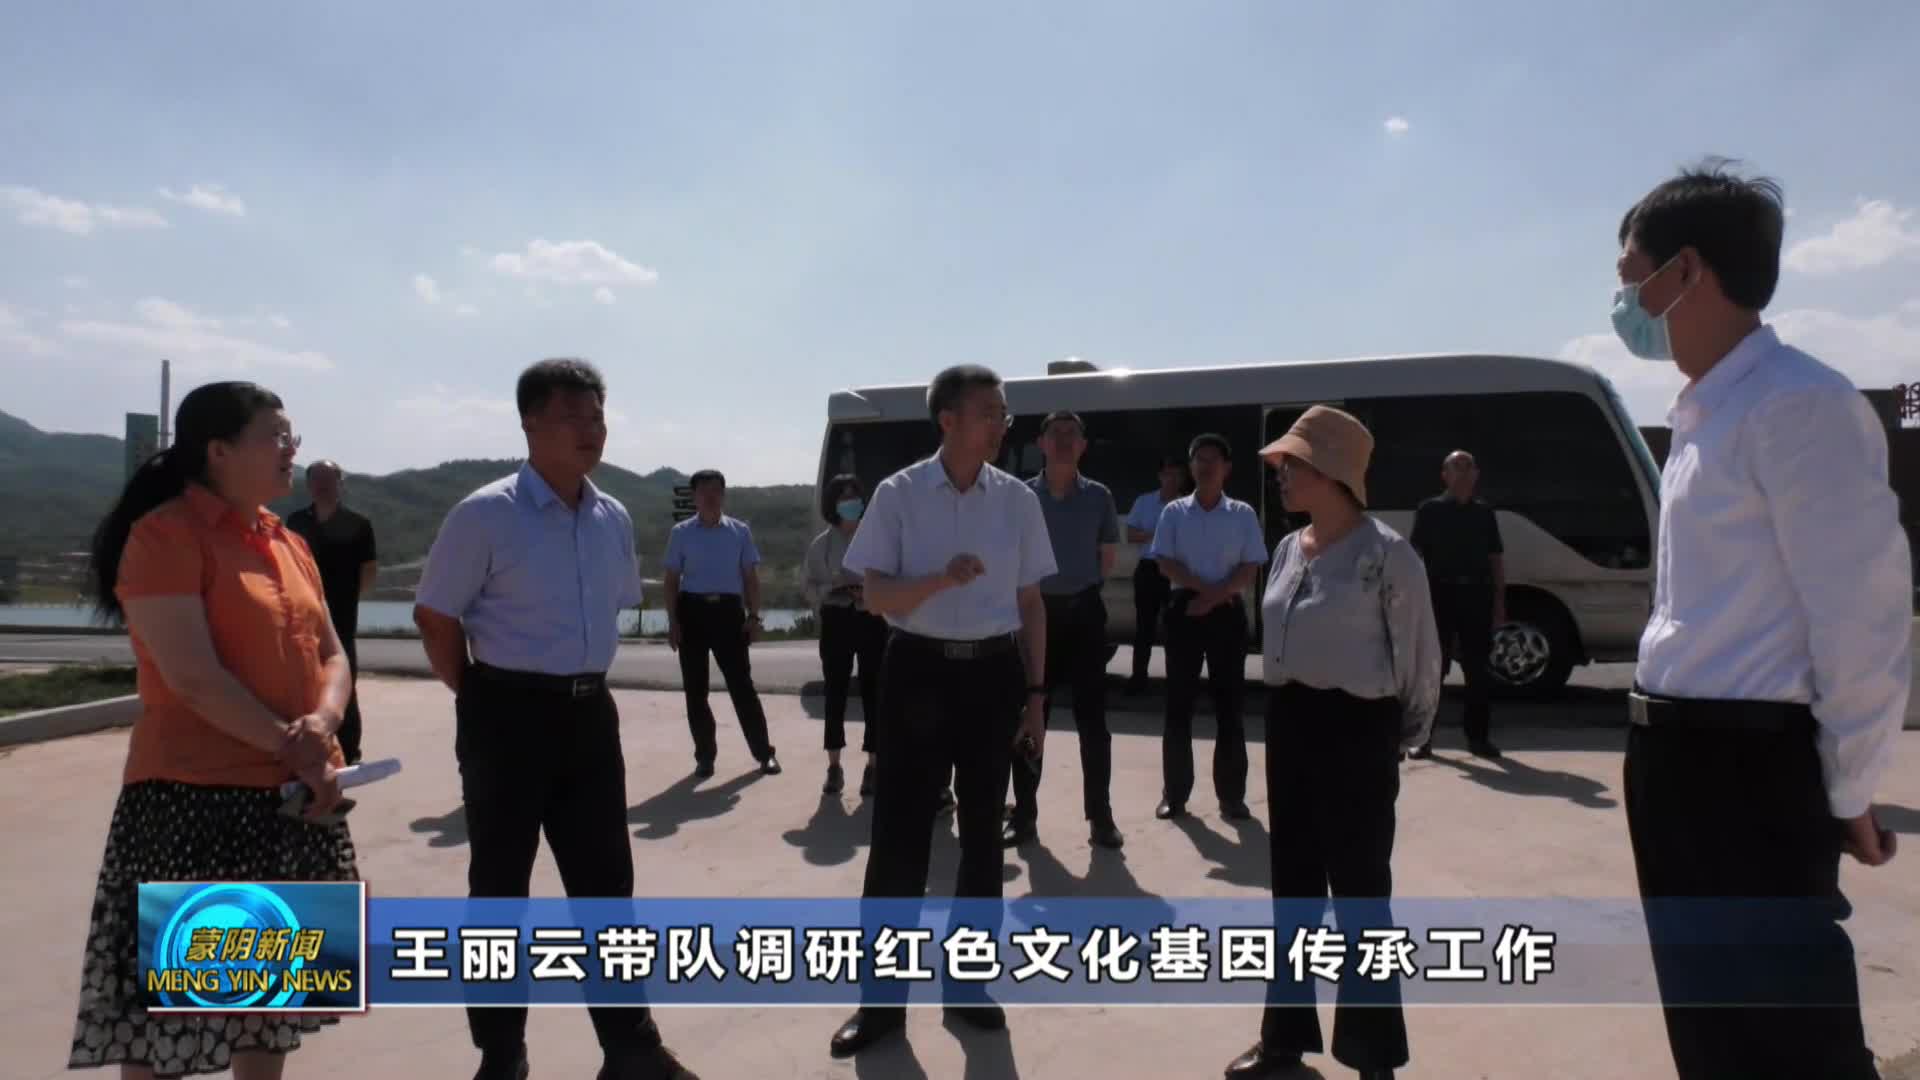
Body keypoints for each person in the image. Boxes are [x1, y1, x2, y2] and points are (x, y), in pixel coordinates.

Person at [1615, 161, 1906, 1079]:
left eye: (1632, 278)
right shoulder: (1707, 411)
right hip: (1681, 763)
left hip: (1745, 773)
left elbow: (1860, 614)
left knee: (1788, 1041)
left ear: (1687, 271)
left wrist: (1848, 787)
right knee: (1714, 1036)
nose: (1624, 304)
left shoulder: (1798, 404)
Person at [413, 359, 698, 1080]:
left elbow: (611, 605)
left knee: (606, 888)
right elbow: (436, 616)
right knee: (500, 893)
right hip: (505, 716)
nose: (590, 431)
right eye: (573, 417)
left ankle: (630, 1048)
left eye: (597, 417)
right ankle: (502, 1054)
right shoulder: (485, 514)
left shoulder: (612, 516)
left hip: (589, 716)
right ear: (530, 423)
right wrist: (478, 697)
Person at [69, 381, 358, 1079]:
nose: (290, 450)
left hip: (291, 803)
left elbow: (333, 654)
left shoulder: (289, 543)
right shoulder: (165, 536)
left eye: (292, 436)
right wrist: (297, 748)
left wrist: (321, 724)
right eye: (275, 436)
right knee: (170, 1022)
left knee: (267, 1010)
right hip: (192, 801)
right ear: (218, 450)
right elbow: (193, 677)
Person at [825, 364, 1055, 1058]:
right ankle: (880, 1006)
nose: (1001, 424)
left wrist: (1036, 696)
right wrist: (939, 579)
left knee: (983, 839)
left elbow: (1030, 603)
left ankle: (968, 986)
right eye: (988, 412)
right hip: (917, 672)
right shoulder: (899, 494)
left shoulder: (1016, 500)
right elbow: (874, 596)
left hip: (993, 676)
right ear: (947, 419)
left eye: (1003, 413)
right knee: (899, 841)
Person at [1226, 405, 1439, 1080]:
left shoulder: (1388, 555)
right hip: (1290, 723)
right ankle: (1283, 1039)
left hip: (1358, 731)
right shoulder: (1291, 548)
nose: (1281, 477)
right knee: (1293, 891)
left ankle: (1374, 1057)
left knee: (1360, 895)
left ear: (1331, 471)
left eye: (1293, 465)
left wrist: (1402, 734)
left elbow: (1419, 657)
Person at [1004, 409, 1123, 850]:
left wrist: (1077, 588)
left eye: (1073, 434)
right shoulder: (1021, 496)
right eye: (1056, 433)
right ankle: (1025, 817)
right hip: (1034, 615)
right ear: (1041, 443)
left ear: (1084, 446)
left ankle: (1101, 817)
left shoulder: (1099, 497)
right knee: (1030, 715)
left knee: (1093, 723)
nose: (1065, 440)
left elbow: (1106, 559)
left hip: (1084, 616)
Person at [1146, 433, 1266, 821]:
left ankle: (1232, 797)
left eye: (1213, 459)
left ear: (1226, 468)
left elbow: (1250, 566)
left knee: (1229, 706)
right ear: (1191, 467)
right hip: (1185, 610)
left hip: (1227, 611)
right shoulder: (1174, 512)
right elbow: (1164, 562)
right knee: (1178, 706)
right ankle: (1174, 795)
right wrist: (1202, 593)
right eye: (1199, 459)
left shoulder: (1242, 514)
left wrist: (1213, 598)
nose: (1205, 465)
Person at [662, 469, 781, 777]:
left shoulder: (739, 532)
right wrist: (673, 621)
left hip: (729, 614)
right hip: (692, 613)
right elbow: (671, 580)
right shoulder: (681, 533)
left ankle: (764, 753)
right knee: (695, 691)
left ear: (724, 494)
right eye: (704, 491)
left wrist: (754, 617)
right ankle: (705, 756)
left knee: (743, 687)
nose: (710, 496)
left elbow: (750, 579)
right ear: (694, 496)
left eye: (716, 490)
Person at [1407, 450, 1504, 759]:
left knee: (1478, 671)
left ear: (1476, 474)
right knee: (1432, 670)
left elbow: (1495, 559)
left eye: (1468, 467)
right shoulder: (1429, 510)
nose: (1463, 473)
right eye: (1456, 467)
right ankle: (1423, 738)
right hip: (1439, 596)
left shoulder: (1484, 513)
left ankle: (1478, 738)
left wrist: (1499, 604)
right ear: (1444, 475)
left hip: (1476, 596)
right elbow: (1414, 556)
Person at [286, 460, 379, 764]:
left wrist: (346, 597)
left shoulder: (358, 524)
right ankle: (313, 747)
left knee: (344, 685)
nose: (322, 486)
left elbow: (368, 572)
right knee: (303, 682)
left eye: (328, 480)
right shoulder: (295, 522)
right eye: (317, 480)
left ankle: (350, 753)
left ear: (340, 484)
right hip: (303, 617)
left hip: (341, 615)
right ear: (309, 485)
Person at [803, 473, 888, 795]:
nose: (851, 502)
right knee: (835, 692)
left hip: (871, 618)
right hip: (836, 620)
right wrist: (833, 587)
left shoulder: (876, 538)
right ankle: (834, 766)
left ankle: (873, 765)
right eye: (844, 497)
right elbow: (808, 586)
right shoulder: (822, 544)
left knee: (873, 692)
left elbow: (891, 576)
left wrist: (869, 591)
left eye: (855, 496)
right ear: (833, 504)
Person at [1123, 455, 1187, 694]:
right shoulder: (1145, 502)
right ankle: (1138, 679)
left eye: (1177, 475)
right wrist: (1157, 534)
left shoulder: (1187, 504)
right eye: (1168, 474)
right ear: (1160, 476)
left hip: (1175, 569)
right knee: (1144, 627)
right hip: (1148, 569)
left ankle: (1176, 681)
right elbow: (1131, 534)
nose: (1172, 479)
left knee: (1175, 628)